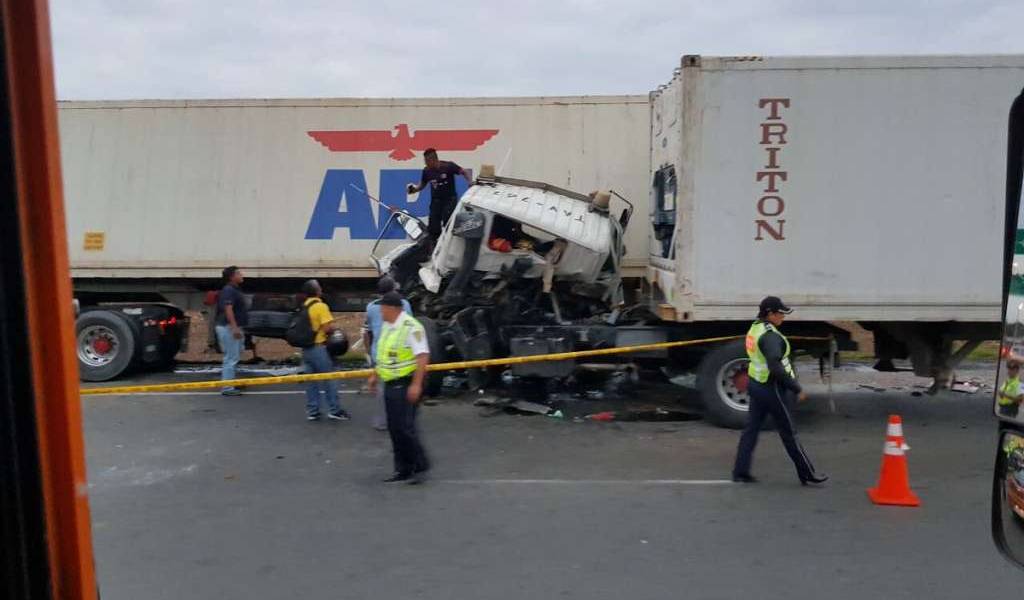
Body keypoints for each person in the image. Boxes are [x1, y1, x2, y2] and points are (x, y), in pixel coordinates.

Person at [732, 296, 828, 486]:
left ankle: (740, 472)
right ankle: (807, 473)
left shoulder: (755, 328)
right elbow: (775, 367)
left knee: (751, 430)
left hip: (756, 385)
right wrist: (796, 388)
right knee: (789, 433)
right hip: (772, 388)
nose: (783, 317)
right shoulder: (771, 337)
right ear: (770, 314)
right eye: (780, 313)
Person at [367, 291, 431, 484]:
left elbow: (422, 356)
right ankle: (403, 469)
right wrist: (375, 375)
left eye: (383, 308)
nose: (381, 312)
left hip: (406, 383)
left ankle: (419, 465)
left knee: (405, 428)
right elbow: (384, 354)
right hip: (390, 383)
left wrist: (416, 384)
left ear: (392, 308)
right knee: (395, 428)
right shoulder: (388, 326)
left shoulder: (412, 327)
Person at [362, 276, 413, 431]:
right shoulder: (404, 304)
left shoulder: (371, 307)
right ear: (394, 289)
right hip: (400, 353)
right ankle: (402, 420)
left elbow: (367, 332)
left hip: (379, 352)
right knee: (402, 387)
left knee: (382, 390)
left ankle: (382, 422)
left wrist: (369, 352)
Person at [299, 279, 351, 422]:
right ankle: (335, 410)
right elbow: (327, 328)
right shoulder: (320, 306)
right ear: (317, 291)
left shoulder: (304, 306)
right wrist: (335, 328)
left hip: (306, 348)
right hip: (319, 348)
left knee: (311, 381)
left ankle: (313, 411)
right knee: (329, 378)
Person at [406, 147, 472, 240]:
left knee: (447, 220)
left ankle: (449, 240)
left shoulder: (448, 166)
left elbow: (464, 172)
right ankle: (434, 243)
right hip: (436, 201)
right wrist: (414, 189)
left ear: (433, 160)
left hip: (449, 200)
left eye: (427, 161)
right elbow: (422, 185)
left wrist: (470, 182)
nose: (425, 163)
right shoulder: (426, 171)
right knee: (433, 225)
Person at [215, 266, 247, 396]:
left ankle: (230, 382)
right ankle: (227, 387)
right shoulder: (229, 290)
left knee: (236, 354)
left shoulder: (234, 289)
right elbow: (228, 309)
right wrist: (234, 327)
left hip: (232, 327)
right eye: (238, 273)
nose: (241, 275)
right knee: (231, 357)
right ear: (232, 277)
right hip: (228, 327)